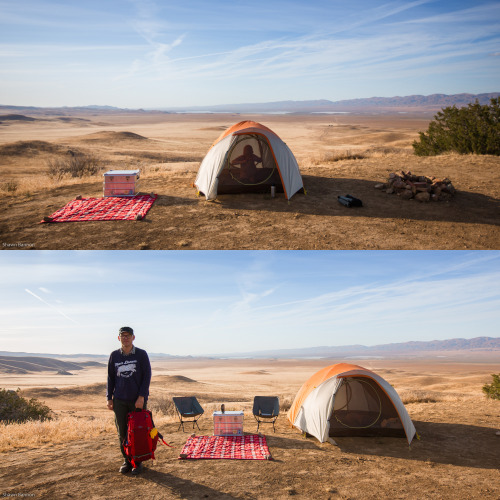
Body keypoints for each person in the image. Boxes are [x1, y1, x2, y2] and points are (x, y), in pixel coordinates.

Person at [106, 326, 151, 475]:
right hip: (119, 400)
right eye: (123, 336)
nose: (125, 338)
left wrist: (141, 397)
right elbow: (110, 378)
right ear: (119, 338)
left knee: (138, 431)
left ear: (133, 337)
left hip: (136, 400)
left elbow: (146, 376)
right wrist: (109, 398)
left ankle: (137, 462)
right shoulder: (114, 356)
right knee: (122, 432)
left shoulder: (141, 354)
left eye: (128, 335)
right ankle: (127, 460)